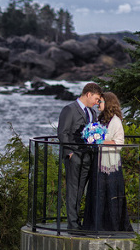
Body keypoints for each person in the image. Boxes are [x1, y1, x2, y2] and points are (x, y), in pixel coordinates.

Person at [83, 92, 133, 232]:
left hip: (110, 166)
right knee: (97, 193)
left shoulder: (116, 122)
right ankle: (96, 225)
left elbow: (119, 142)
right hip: (98, 162)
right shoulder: (100, 120)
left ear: (109, 104)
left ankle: (112, 226)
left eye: (101, 102)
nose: (99, 104)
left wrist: (100, 141)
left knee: (110, 194)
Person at [57, 82, 102, 231]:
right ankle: (73, 224)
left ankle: (79, 222)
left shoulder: (92, 112)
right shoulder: (69, 109)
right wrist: (70, 153)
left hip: (88, 157)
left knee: (81, 190)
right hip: (74, 156)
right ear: (88, 94)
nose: (97, 102)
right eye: (96, 98)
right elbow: (62, 132)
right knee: (73, 189)